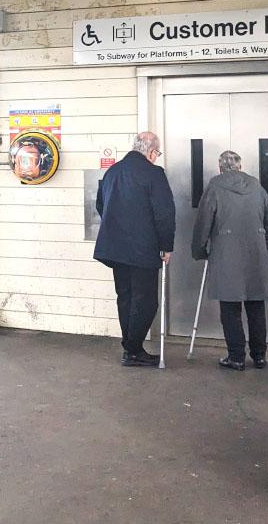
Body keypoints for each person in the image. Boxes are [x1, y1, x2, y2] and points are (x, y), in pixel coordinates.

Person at [94, 131, 176, 367]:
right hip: (143, 249)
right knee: (147, 300)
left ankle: (130, 347)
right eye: (157, 153)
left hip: (115, 248)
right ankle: (133, 350)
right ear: (151, 152)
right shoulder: (154, 174)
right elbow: (164, 213)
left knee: (126, 296)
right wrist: (166, 246)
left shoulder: (112, 172)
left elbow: (101, 205)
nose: (156, 157)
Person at [191, 151, 268, 371]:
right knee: (256, 306)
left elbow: (203, 224)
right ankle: (259, 356)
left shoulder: (214, 187)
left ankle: (236, 357)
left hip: (226, 254)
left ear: (220, 168)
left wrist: (199, 251)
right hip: (256, 254)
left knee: (230, 308)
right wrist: (263, 242)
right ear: (240, 166)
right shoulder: (257, 186)